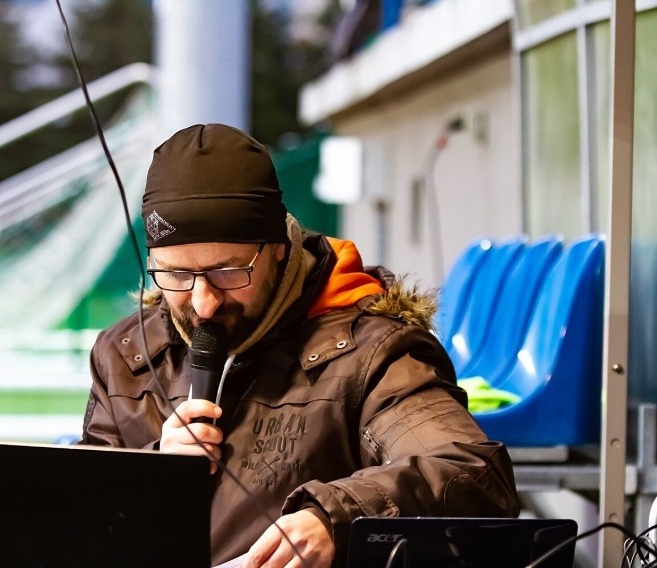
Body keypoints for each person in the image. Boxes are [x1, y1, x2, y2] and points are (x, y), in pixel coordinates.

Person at [81, 123, 519, 567]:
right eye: (176, 275)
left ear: (277, 247)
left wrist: (337, 518)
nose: (203, 303)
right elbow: (69, 519)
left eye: (228, 272)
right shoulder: (125, 354)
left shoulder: (374, 351)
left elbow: (473, 472)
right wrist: (151, 472)